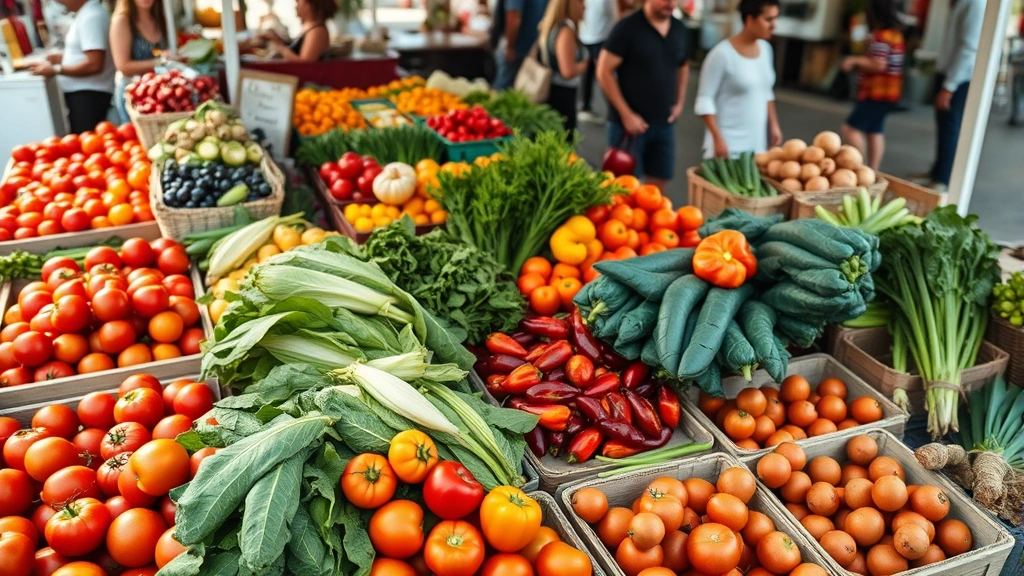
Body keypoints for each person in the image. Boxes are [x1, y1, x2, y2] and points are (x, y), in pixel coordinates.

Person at [596, 0, 692, 190]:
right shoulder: (626, 28)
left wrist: (679, 102)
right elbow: (603, 71)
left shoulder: (680, 29)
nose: (672, 3)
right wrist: (626, 114)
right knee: (622, 191)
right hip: (628, 126)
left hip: (665, 124)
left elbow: (683, 65)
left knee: (657, 186)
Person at [694, 0, 781, 159]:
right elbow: (704, 100)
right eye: (768, 19)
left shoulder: (766, 50)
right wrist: (717, 138)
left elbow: (766, 92)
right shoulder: (721, 54)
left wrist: (774, 125)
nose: (774, 25)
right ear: (749, 20)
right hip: (727, 147)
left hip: (756, 146)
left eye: (775, 18)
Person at [30, 0, 116, 133]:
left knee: (88, 143)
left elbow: (94, 64)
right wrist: (63, 58)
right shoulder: (87, 13)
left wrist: (56, 70)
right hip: (86, 95)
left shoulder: (91, 16)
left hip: (90, 97)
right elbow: (88, 52)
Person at [924, 0, 983, 190]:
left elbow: (969, 48)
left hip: (958, 77)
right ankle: (936, 173)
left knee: (950, 126)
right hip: (949, 72)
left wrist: (949, 86)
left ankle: (943, 179)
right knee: (944, 125)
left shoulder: (976, 3)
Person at [839, 0, 904, 170]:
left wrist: (854, 60)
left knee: (851, 128)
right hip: (890, 94)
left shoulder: (881, 37)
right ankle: (872, 171)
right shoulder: (895, 34)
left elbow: (878, 64)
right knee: (875, 130)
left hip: (876, 93)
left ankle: (858, 167)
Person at [110, 0, 166, 124]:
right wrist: (160, 62)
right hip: (133, 95)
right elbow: (123, 65)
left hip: (157, 93)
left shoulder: (160, 17)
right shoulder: (122, 21)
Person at [538, 0, 588, 132]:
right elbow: (567, 71)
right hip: (562, 95)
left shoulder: (554, 26)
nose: (584, 7)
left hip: (555, 92)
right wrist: (586, 64)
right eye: (580, 2)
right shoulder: (565, 31)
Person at [492, 0, 547, 89]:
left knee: (502, 90)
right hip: (531, 48)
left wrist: (510, 46)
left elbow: (513, 16)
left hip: (516, 48)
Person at [577, 0, 616, 124]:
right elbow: (612, 14)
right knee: (604, 74)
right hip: (600, 37)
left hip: (586, 34)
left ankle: (585, 106)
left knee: (588, 75)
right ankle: (614, 109)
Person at [262, 0, 334, 62]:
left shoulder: (317, 31)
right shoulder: (310, 27)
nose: (296, 7)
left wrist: (280, 46)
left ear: (309, 5)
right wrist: (277, 39)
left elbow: (304, 63)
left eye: (298, 2)